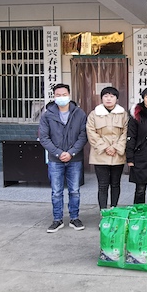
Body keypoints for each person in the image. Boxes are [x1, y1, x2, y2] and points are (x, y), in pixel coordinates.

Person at [39, 83, 88, 233]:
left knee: (74, 191)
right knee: (56, 192)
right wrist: (58, 153)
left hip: (75, 159)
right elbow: (44, 138)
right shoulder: (47, 115)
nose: (61, 97)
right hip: (55, 160)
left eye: (64, 94)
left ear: (69, 95)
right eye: (58, 95)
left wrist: (71, 152)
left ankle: (74, 218)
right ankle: (57, 219)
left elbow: (83, 136)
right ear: (54, 97)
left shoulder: (79, 113)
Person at [86, 86, 127, 210]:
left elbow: (126, 132)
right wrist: (105, 147)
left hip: (117, 154)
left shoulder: (123, 114)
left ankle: (114, 210)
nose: (109, 99)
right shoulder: (94, 114)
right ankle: (103, 212)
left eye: (112, 96)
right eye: (106, 96)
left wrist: (116, 147)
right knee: (102, 185)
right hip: (100, 155)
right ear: (101, 98)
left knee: (115, 184)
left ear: (116, 99)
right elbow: (91, 132)